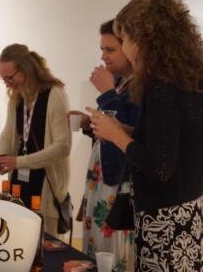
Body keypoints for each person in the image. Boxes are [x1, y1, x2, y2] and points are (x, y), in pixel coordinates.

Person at [88, 0, 203, 271]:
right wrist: (124, 129)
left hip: (165, 219)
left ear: (142, 39)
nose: (124, 47)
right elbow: (168, 143)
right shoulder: (186, 78)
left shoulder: (160, 86)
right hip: (187, 211)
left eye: (124, 38)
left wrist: (118, 135)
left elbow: (161, 167)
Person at [71, 20, 139, 272]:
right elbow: (112, 132)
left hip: (118, 187)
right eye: (102, 49)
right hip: (101, 183)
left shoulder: (141, 86)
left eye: (110, 49)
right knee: (95, 255)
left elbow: (134, 136)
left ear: (131, 47)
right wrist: (91, 125)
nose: (103, 56)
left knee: (114, 259)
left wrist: (107, 93)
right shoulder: (121, 83)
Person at [0, 44, 71, 236]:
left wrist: (19, 162)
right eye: (3, 79)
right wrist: (0, 156)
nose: (8, 83)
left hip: (46, 184)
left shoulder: (55, 94)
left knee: (43, 251)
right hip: (19, 184)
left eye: (10, 77)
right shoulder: (17, 98)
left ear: (27, 69)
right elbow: (8, 132)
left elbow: (63, 147)